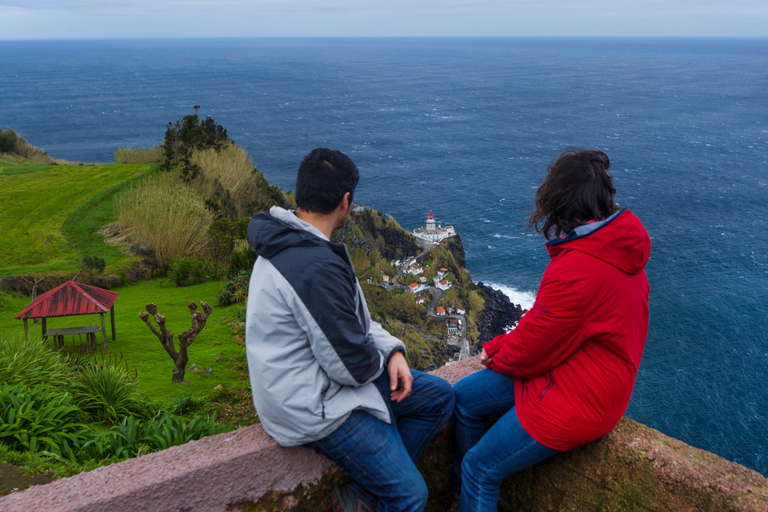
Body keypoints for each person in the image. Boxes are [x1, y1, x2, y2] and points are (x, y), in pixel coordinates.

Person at [245, 148, 455, 512]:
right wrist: (380, 363)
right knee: (410, 496)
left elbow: (356, 321)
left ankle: (365, 496)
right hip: (311, 405)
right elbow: (352, 367)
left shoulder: (292, 239)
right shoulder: (312, 267)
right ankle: (387, 489)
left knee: (439, 397)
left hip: (315, 383)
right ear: (346, 201)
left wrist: (393, 351)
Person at [446, 148, 651, 512]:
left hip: (580, 398)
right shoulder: (618, 248)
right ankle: (465, 501)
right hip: (582, 374)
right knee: (461, 399)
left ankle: (470, 493)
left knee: (480, 468)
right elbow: (552, 326)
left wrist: (498, 353)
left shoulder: (578, 268)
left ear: (559, 200)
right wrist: (502, 343)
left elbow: (532, 351)